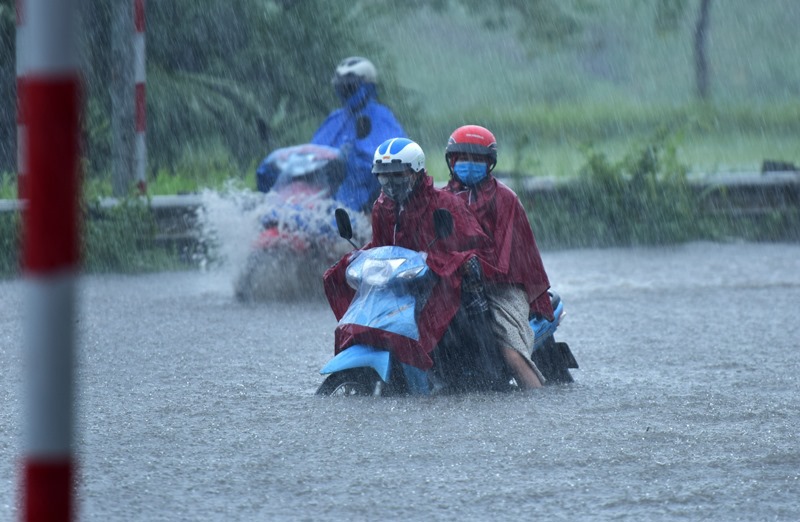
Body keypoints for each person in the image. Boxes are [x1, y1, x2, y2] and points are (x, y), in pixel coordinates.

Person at [323, 137, 492, 371]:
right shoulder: (382, 207)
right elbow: (381, 247)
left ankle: (475, 377)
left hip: (442, 285)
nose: (391, 184)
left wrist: (444, 262)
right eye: (384, 177)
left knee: (461, 331)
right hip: (401, 286)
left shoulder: (445, 204)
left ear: (416, 173)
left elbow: (473, 246)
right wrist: (359, 257)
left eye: (397, 176)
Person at [444, 124, 554, 389]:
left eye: (477, 159)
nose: (469, 164)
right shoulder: (442, 198)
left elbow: (501, 256)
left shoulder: (505, 199)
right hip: (453, 283)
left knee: (510, 349)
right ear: (452, 161)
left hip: (501, 285)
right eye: (464, 158)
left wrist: (469, 263)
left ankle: (540, 406)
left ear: (489, 163)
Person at [310, 57, 407, 213]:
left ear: (367, 87)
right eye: (341, 88)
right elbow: (312, 153)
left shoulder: (381, 118)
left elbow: (391, 163)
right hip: (326, 200)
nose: (345, 93)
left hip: (365, 204)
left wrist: (348, 161)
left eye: (350, 87)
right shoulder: (334, 119)